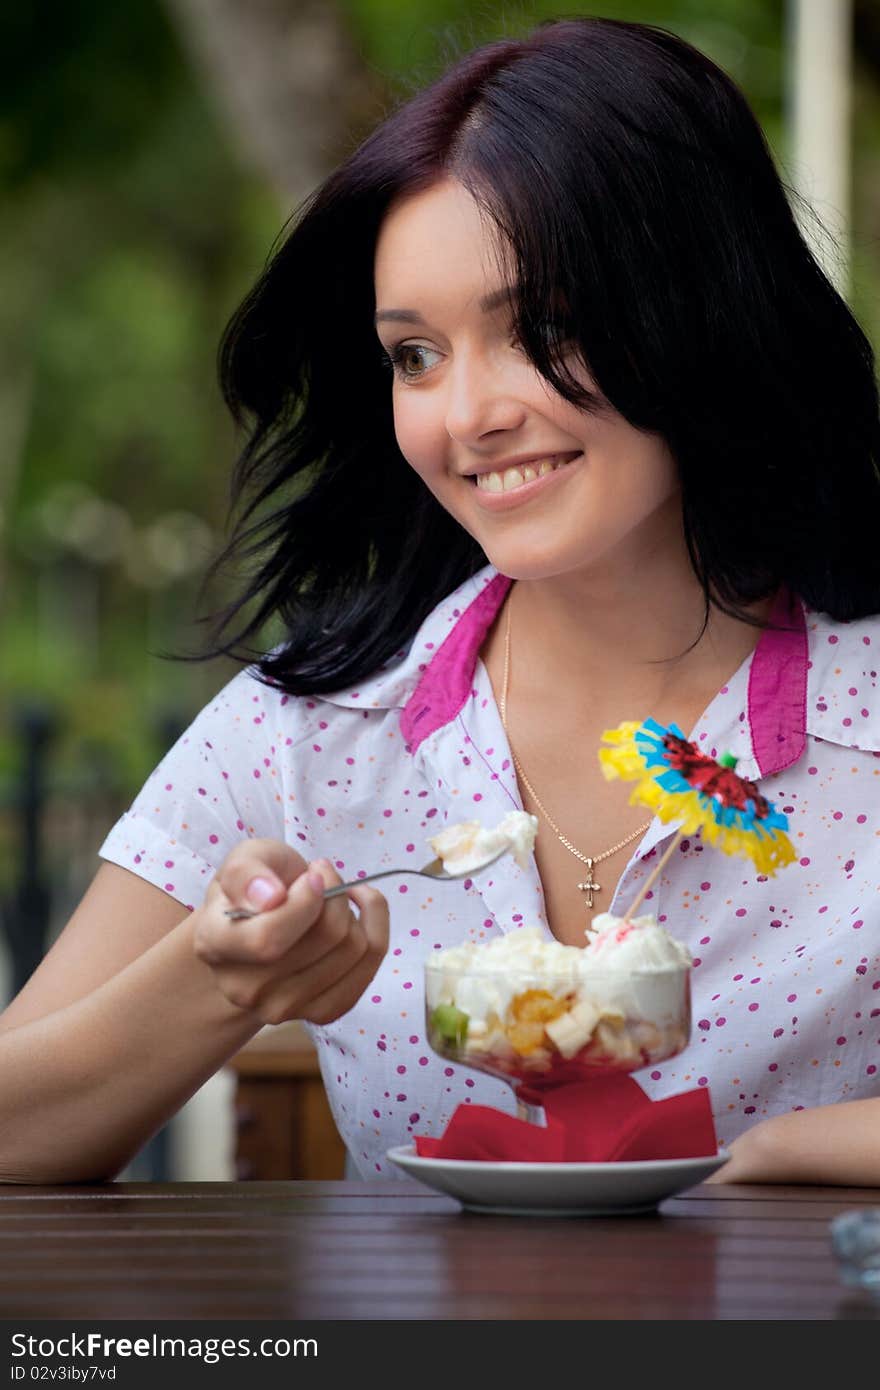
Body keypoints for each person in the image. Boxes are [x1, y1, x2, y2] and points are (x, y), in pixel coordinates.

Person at [2, 15, 879, 1186]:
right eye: (415, 355)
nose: (467, 415)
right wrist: (224, 983)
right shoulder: (309, 734)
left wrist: (787, 1151)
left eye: (541, 330)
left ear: (700, 311)